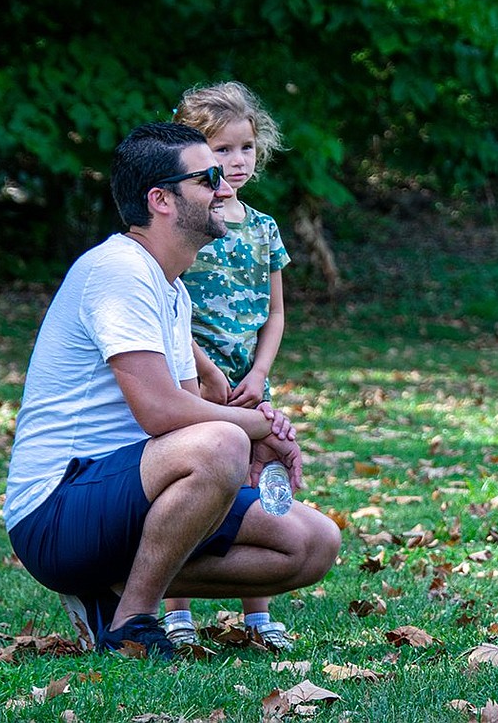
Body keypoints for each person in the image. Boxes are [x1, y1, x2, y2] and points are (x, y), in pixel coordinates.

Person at [3, 122, 341, 659]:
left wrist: (258, 437)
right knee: (221, 445)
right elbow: (162, 411)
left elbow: (193, 411)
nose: (226, 187)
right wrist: (254, 429)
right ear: (160, 200)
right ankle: (131, 623)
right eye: (208, 177)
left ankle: (109, 588)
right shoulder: (118, 271)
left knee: (313, 542)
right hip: (56, 510)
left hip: (128, 496)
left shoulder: (172, 290)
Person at [161, 81, 293, 650]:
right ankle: (177, 612)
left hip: (248, 385)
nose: (235, 161)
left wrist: (258, 374)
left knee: (259, 484)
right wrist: (208, 373)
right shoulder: (186, 223)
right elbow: (166, 302)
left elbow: (276, 314)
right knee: (193, 489)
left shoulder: (263, 228)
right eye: (220, 150)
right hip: (191, 381)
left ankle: (258, 615)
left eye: (246, 147)